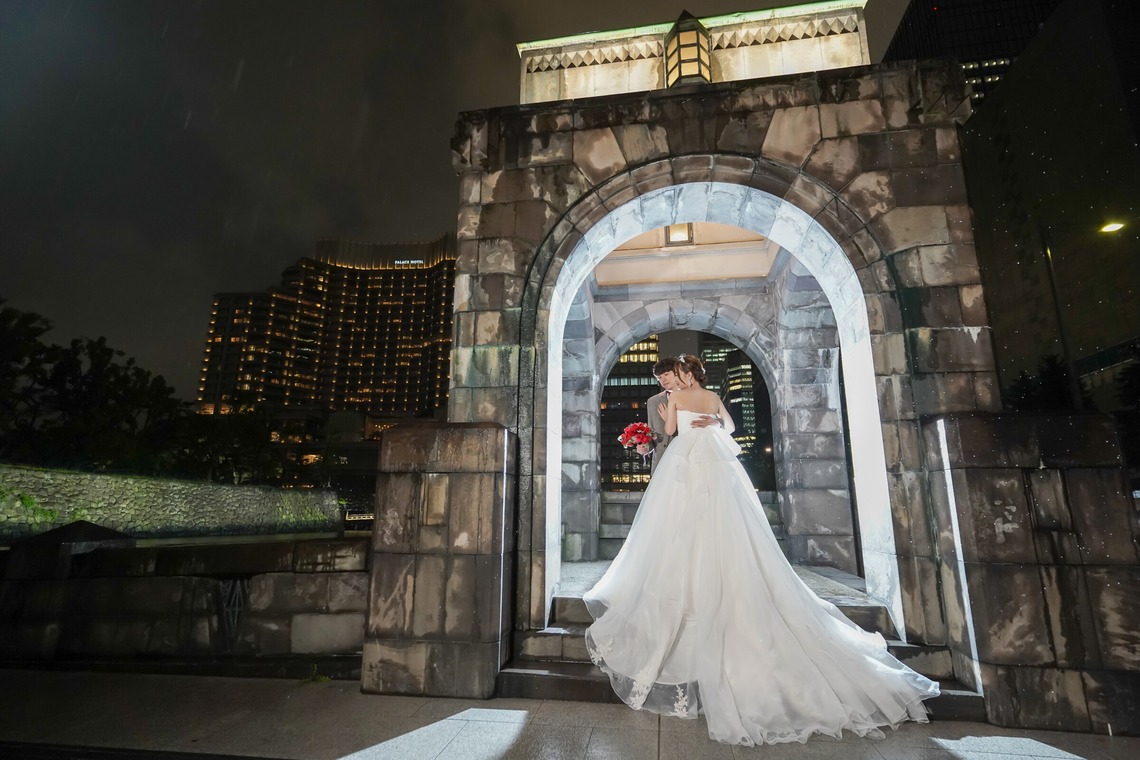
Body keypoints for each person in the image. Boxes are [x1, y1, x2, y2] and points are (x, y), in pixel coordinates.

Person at [584, 354, 939, 746]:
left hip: (684, 468)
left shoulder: (678, 400)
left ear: (687, 374)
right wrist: (716, 422)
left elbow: (670, 431)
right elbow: (730, 427)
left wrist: (671, 414)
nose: (677, 379)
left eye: (679, 373)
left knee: (678, 529)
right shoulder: (714, 396)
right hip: (716, 468)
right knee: (722, 524)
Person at [637, 356, 723, 473]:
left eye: (666, 374)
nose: (663, 380)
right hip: (661, 464)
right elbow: (652, 433)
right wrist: (646, 446)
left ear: (677, 372)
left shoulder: (697, 396)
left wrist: (671, 420)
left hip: (689, 459)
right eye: (659, 377)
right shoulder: (653, 401)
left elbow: (705, 425)